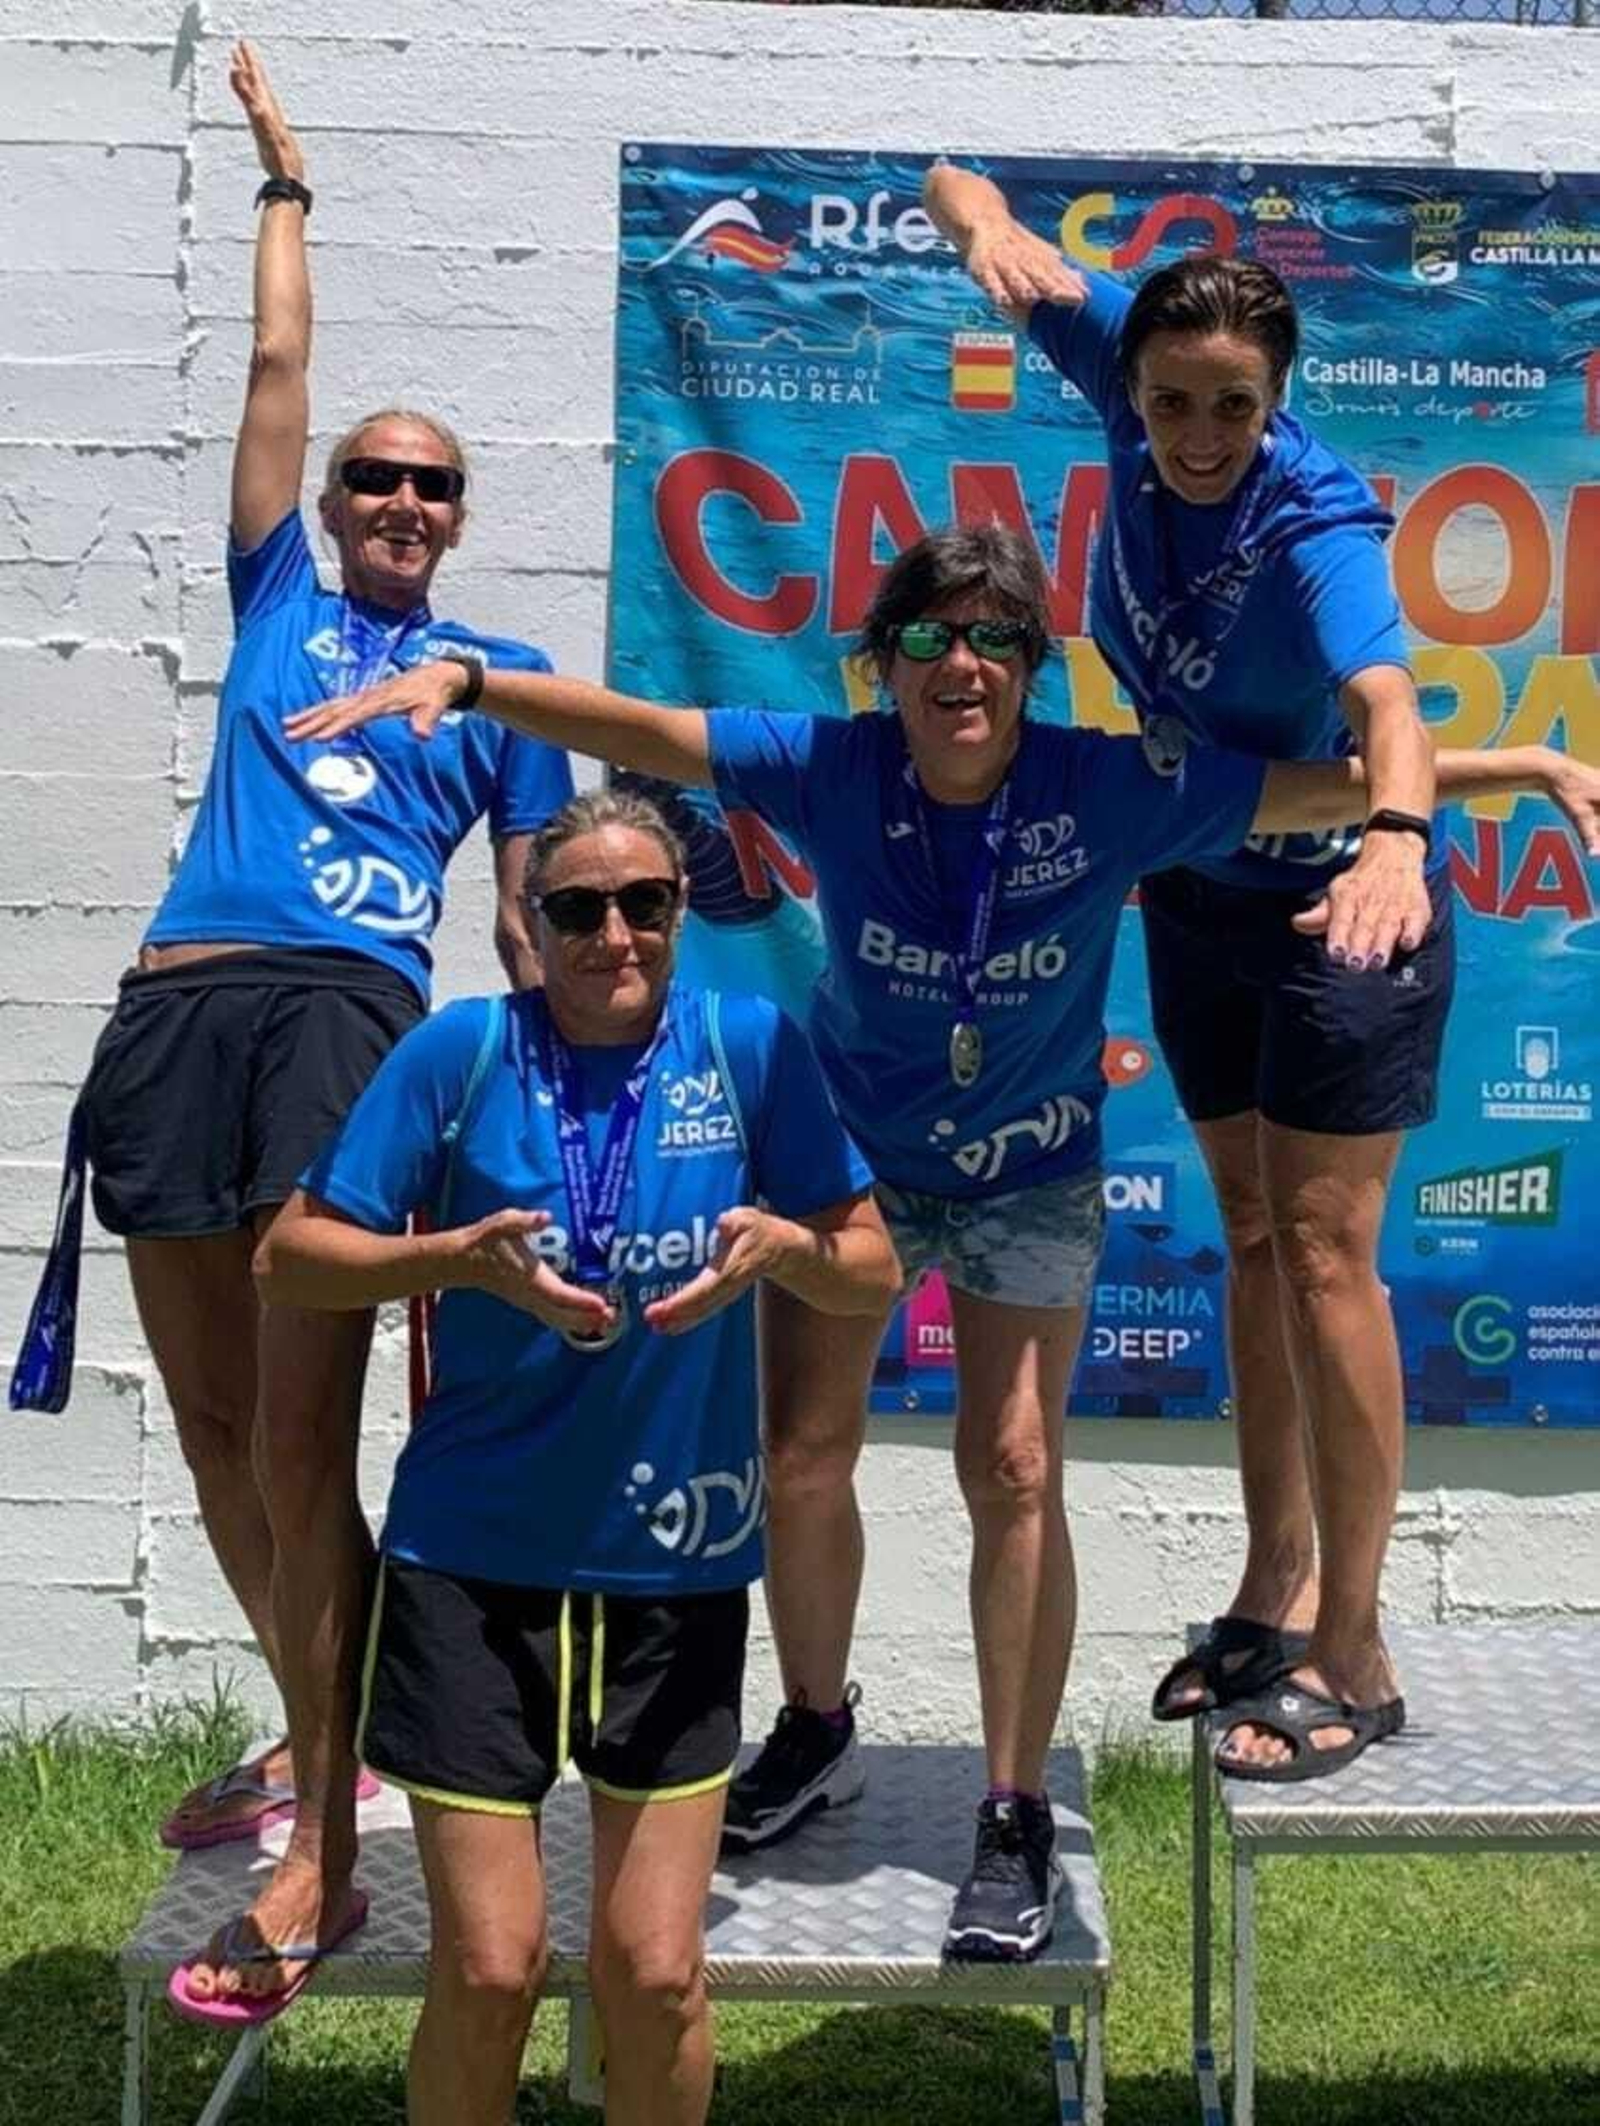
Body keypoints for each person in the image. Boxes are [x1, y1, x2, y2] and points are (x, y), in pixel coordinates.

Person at [280, 525, 1595, 1935]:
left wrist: (1508, 771)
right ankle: (818, 1720)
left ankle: (1013, 1806)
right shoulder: (834, 765)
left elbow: (1302, 792)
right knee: (800, 1457)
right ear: (885, 662)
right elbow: (648, 726)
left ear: (1031, 665)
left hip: (1033, 1166)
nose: (958, 664)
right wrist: (477, 685)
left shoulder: (1101, 781)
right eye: (927, 639)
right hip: (861, 1166)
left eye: (993, 640)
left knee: (1015, 1463)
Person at [921, 161, 1599, 1780]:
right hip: (1204, 897)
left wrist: (1391, 843)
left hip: (1344, 915)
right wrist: (988, 227)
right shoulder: (1123, 379)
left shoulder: (1315, 525)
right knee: (1241, 1237)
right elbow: (951, 186)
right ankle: (1270, 1584)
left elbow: (1387, 703)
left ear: (1277, 395)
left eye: (1233, 403)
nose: (1200, 431)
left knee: (1321, 1256)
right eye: (1173, 401)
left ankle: (1357, 1654)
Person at [67, 43, 572, 2008]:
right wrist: (286, 190)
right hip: (176, 1014)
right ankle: (313, 1720)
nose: (391, 497)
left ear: (453, 520)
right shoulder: (275, 589)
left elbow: (536, 917)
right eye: (374, 473)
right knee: (209, 1432)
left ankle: (320, 1854)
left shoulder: (497, 674)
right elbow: (276, 381)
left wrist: (547, 1113)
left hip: (342, 1028)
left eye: (427, 484)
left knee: (300, 1440)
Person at [225, 790, 895, 2122]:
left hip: (675, 1571)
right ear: (532, 924)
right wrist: (449, 1258)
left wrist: (788, 1252)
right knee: (490, 1964)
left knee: (649, 1970)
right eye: (578, 907)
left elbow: (872, 1264)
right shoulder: (460, 1053)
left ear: (680, 912)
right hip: (474, 1571)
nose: (614, 932)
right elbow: (288, 1255)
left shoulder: (750, 1048)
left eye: (643, 901)